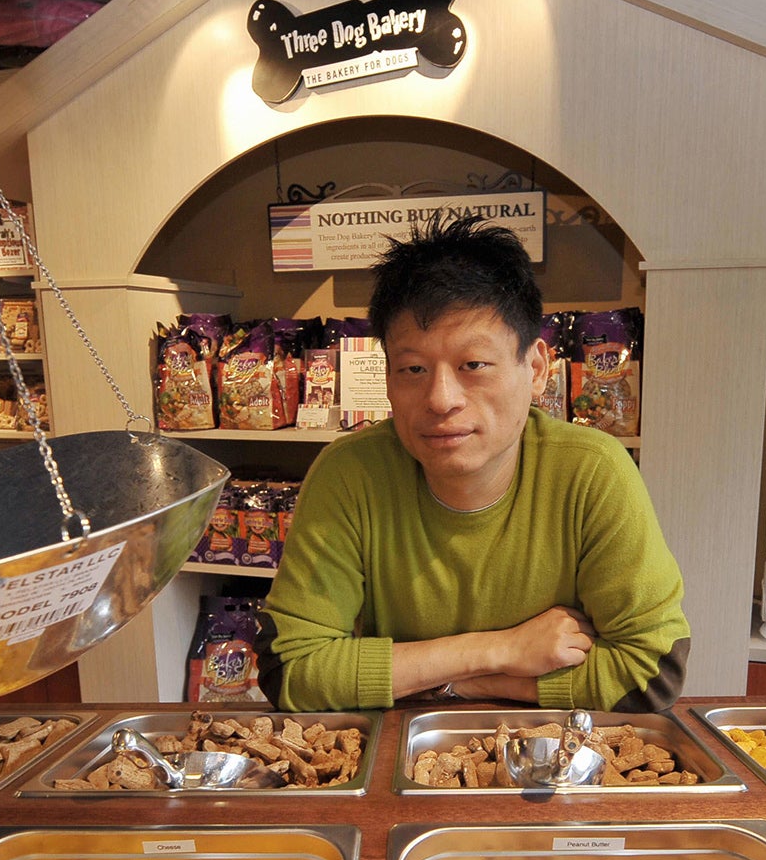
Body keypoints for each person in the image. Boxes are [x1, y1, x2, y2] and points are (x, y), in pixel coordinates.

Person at [259, 214, 689, 711]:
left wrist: (459, 683)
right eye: (413, 369)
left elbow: (653, 671)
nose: (441, 399)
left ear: (535, 369)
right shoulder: (350, 474)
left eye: (474, 365)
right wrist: (500, 650)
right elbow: (289, 668)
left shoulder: (592, 471)